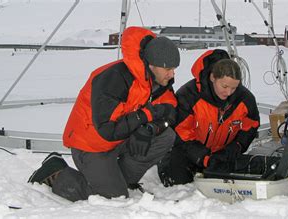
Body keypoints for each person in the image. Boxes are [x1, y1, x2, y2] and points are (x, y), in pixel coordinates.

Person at [28, 26, 180, 201]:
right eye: (168, 69)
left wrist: (151, 128)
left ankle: (118, 179)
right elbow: (107, 130)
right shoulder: (114, 78)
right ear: (152, 65)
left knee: (165, 137)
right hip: (91, 144)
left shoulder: (156, 79)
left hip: (119, 138)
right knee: (115, 197)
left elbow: (170, 108)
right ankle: (56, 173)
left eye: (174, 68)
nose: (172, 74)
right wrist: (145, 116)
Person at [158, 49, 260, 186]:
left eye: (234, 88)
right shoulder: (189, 96)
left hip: (221, 155)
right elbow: (181, 134)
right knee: (179, 185)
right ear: (213, 78)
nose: (228, 92)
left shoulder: (245, 99)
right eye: (224, 86)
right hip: (187, 153)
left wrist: (236, 146)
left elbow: (251, 126)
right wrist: (205, 158)